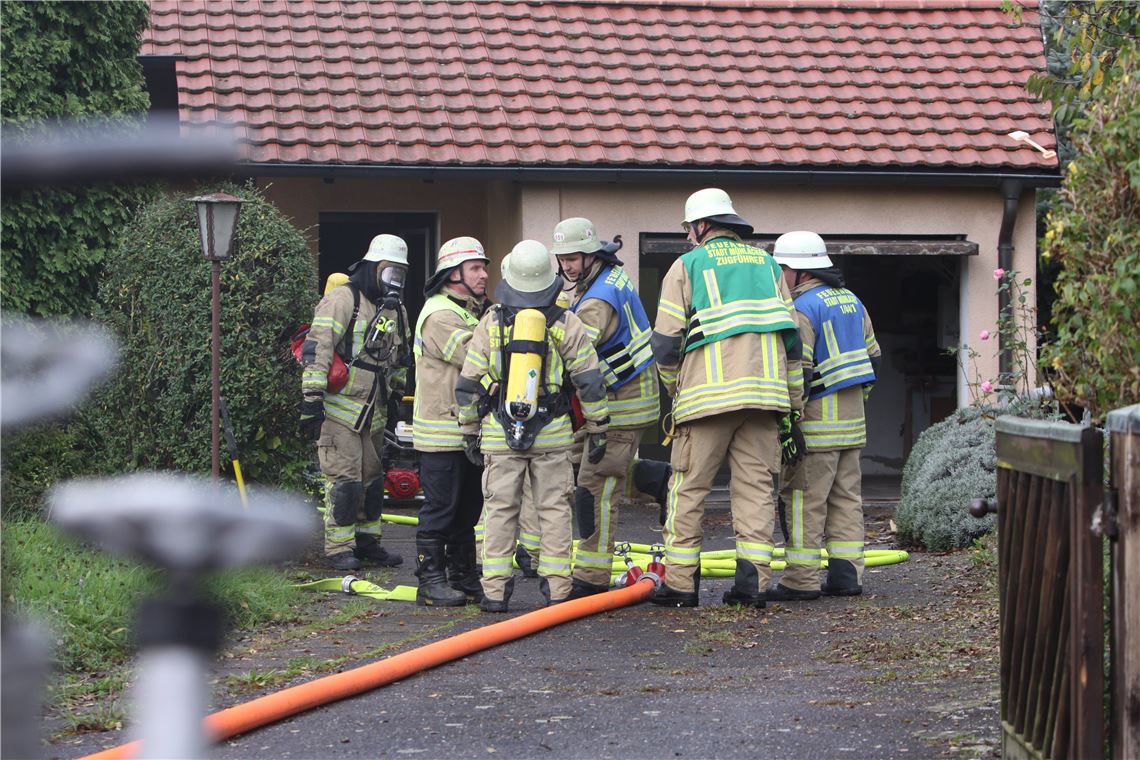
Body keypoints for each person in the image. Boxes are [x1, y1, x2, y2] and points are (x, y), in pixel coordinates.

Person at [648, 188, 804, 608]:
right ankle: (753, 585)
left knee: (688, 487)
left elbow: (665, 343)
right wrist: (794, 400)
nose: (687, 238)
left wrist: (673, 387)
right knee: (755, 489)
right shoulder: (770, 266)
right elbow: (792, 341)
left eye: (688, 229)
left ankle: (681, 585)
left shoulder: (687, 266)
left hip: (706, 401)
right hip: (766, 399)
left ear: (701, 226)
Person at [456, 240, 609, 612]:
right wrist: (598, 424)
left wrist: (469, 430)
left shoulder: (491, 321)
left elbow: (469, 384)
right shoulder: (565, 321)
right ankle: (557, 590)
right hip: (553, 434)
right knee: (554, 509)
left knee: (499, 510)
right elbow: (589, 380)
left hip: (498, 433)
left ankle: (494, 592)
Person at [550, 217, 670, 598]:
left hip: (621, 405)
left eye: (573, 258)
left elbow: (573, 353)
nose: (567, 266)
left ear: (590, 255)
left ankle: (591, 576)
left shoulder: (597, 301)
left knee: (595, 486)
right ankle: (656, 480)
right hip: (622, 400)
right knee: (591, 469)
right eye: (562, 259)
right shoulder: (605, 280)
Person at [769, 231, 880, 600]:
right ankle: (847, 577)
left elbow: (798, 370)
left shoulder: (802, 308)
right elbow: (873, 358)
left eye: (781, 268)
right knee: (847, 501)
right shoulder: (852, 300)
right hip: (852, 426)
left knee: (802, 501)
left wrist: (790, 418)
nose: (778, 276)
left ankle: (800, 580)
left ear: (799, 272)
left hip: (815, 426)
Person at [300, 234, 411, 571]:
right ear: (373, 267)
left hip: (374, 410)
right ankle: (339, 548)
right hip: (339, 411)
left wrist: (396, 400)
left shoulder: (394, 309)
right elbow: (317, 349)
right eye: (391, 270)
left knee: (372, 479)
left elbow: (400, 357)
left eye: (400, 273)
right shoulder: (343, 299)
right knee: (345, 480)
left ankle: (367, 542)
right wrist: (312, 400)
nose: (395, 279)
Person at [412, 236, 491, 605]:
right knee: (441, 508)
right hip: (441, 433)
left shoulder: (470, 310)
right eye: (475, 267)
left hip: (466, 430)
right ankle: (430, 582)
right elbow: (476, 357)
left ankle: (462, 575)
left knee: (467, 508)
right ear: (453, 273)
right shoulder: (440, 315)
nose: (484, 274)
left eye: (483, 267)